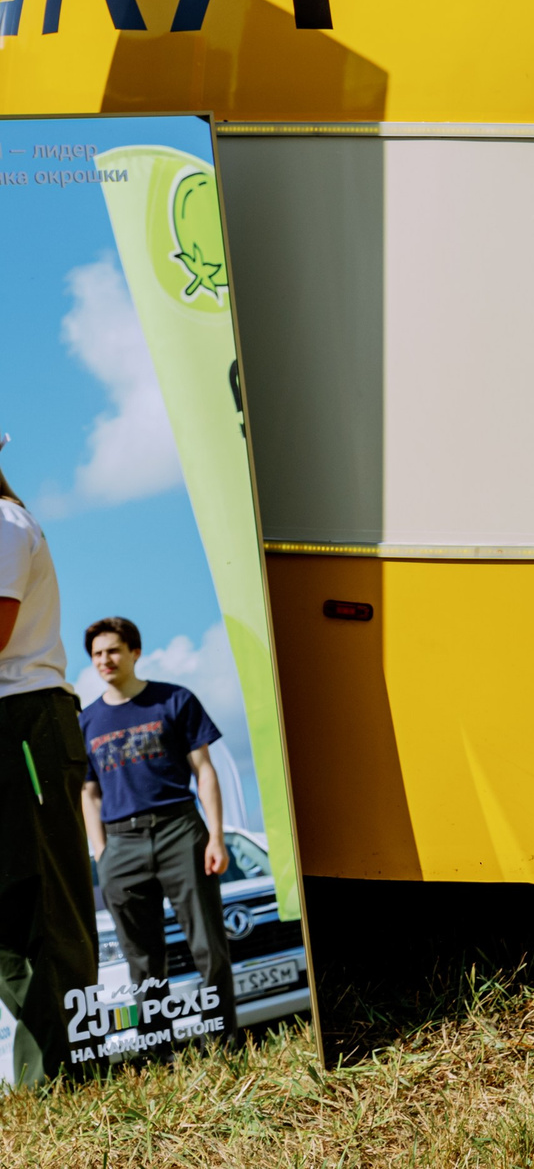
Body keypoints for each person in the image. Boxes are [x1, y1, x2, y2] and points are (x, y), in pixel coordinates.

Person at [79, 616, 235, 1034]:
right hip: (120, 843)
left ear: (134, 652)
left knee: (208, 945)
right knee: (141, 958)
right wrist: (101, 852)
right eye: (96, 654)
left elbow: (204, 770)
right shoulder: (87, 722)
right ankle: (157, 1049)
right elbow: (88, 793)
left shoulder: (175, 700)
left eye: (112, 650)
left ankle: (222, 1040)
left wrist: (215, 836)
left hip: (179, 830)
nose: (104, 660)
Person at [0, 444, 97, 1082]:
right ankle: (50, 1074)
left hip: (26, 720)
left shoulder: (5, 523)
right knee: (9, 919)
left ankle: (60, 1081)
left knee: (50, 905)